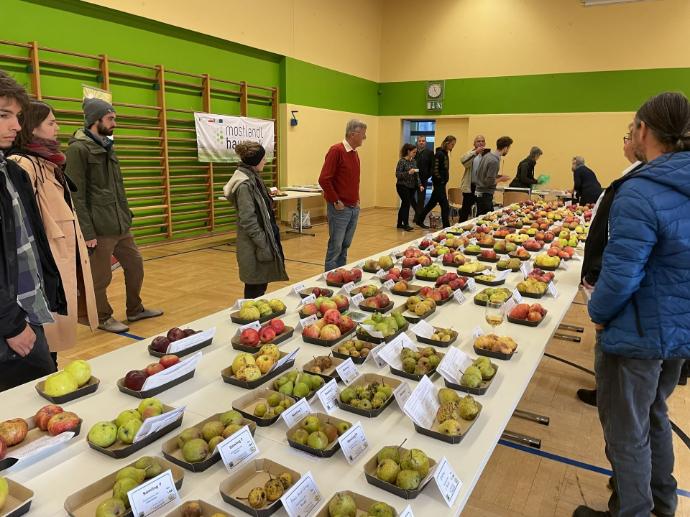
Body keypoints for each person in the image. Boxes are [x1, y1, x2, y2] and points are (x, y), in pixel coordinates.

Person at [575, 92, 690, 517]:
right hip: (677, 327)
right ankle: (662, 502)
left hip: (638, 330)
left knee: (626, 433)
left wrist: (599, 313)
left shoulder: (641, 189)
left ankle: (634, 510)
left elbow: (622, 272)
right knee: (654, 414)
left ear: (643, 130)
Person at [8, 101, 98, 367]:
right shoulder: (22, 164)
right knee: (45, 336)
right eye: (51, 122)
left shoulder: (47, 162)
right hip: (43, 263)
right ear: (32, 127)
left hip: (58, 259)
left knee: (54, 336)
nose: (57, 127)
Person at [64, 98, 162, 333]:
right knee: (100, 277)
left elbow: (117, 188)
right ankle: (103, 316)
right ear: (95, 120)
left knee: (135, 265)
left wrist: (126, 215)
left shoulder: (108, 146)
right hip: (99, 228)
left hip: (120, 224)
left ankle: (135, 309)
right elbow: (75, 195)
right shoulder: (78, 149)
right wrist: (87, 232)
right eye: (110, 118)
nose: (114, 123)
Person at [0, 70, 66, 391]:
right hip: (10, 321)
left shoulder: (11, 171)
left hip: (28, 310)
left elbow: (29, 242)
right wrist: (11, 324)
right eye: (4, 115)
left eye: (17, 116)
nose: (16, 125)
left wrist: (50, 293)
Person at [576, 124, 643, 407]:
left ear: (643, 137)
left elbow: (621, 246)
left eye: (628, 136)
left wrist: (596, 281)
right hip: (616, 283)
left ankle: (608, 394)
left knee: (612, 345)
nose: (624, 142)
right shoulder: (636, 180)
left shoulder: (636, 186)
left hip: (616, 286)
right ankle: (607, 390)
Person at [223, 141, 288, 298]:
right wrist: (262, 242)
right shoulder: (244, 185)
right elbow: (248, 219)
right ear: (255, 161)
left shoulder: (253, 177)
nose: (265, 161)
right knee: (254, 286)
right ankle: (250, 313)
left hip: (260, 240)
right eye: (263, 158)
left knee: (261, 282)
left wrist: (266, 194)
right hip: (255, 243)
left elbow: (256, 200)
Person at [318, 119, 367, 271]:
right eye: (363, 134)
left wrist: (357, 199)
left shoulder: (354, 153)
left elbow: (352, 180)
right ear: (353, 134)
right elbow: (324, 179)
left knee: (345, 245)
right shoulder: (336, 151)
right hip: (340, 208)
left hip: (353, 207)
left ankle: (341, 274)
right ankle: (331, 276)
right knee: (336, 245)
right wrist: (335, 200)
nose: (364, 137)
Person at [416, 135, 456, 229]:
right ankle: (446, 226)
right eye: (452, 144)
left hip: (441, 183)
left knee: (432, 204)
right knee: (445, 205)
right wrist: (441, 180)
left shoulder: (445, 153)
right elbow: (435, 170)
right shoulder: (440, 154)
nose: (453, 146)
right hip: (439, 184)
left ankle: (419, 220)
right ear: (447, 143)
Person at [475, 136, 513, 216]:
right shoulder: (494, 161)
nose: (508, 151)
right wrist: (501, 179)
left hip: (479, 192)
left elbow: (483, 173)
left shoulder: (487, 155)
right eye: (508, 148)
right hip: (485, 194)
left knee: (480, 217)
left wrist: (498, 176)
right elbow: (489, 181)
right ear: (505, 148)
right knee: (487, 219)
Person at [458, 135, 487, 222]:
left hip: (481, 187)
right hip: (470, 186)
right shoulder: (470, 153)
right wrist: (475, 152)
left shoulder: (487, 155)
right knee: (465, 210)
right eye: (478, 141)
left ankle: (478, 226)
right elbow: (463, 161)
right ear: (474, 144)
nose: (481, 143)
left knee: (481, 210)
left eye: (482, 141)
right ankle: (461, 226)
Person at [395, 143, 422, 231]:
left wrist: (420, 185)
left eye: (416, 152)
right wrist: (408, 173)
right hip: (402, 186)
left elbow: (417, 175)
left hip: (411, 187)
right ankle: (406, 224)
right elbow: (398, 175)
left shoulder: (414, 161)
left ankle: (399, 224)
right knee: (406, 204)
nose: (415, 154)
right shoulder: (402, 161)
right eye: (414, 152)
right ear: (408, 151)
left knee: (404, 204)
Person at [414, 135, 434, 214]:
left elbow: (432, 167)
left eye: (423, 141)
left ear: (426, 142)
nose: (421, 142)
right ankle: (417, 212)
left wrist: (427, 176)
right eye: (420, 141)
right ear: (417, 142)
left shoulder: (429, 153)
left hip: (423, 179)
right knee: (410, 198)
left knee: (421, 199)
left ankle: (418, 217)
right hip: (412, 179)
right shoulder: (414, 152)